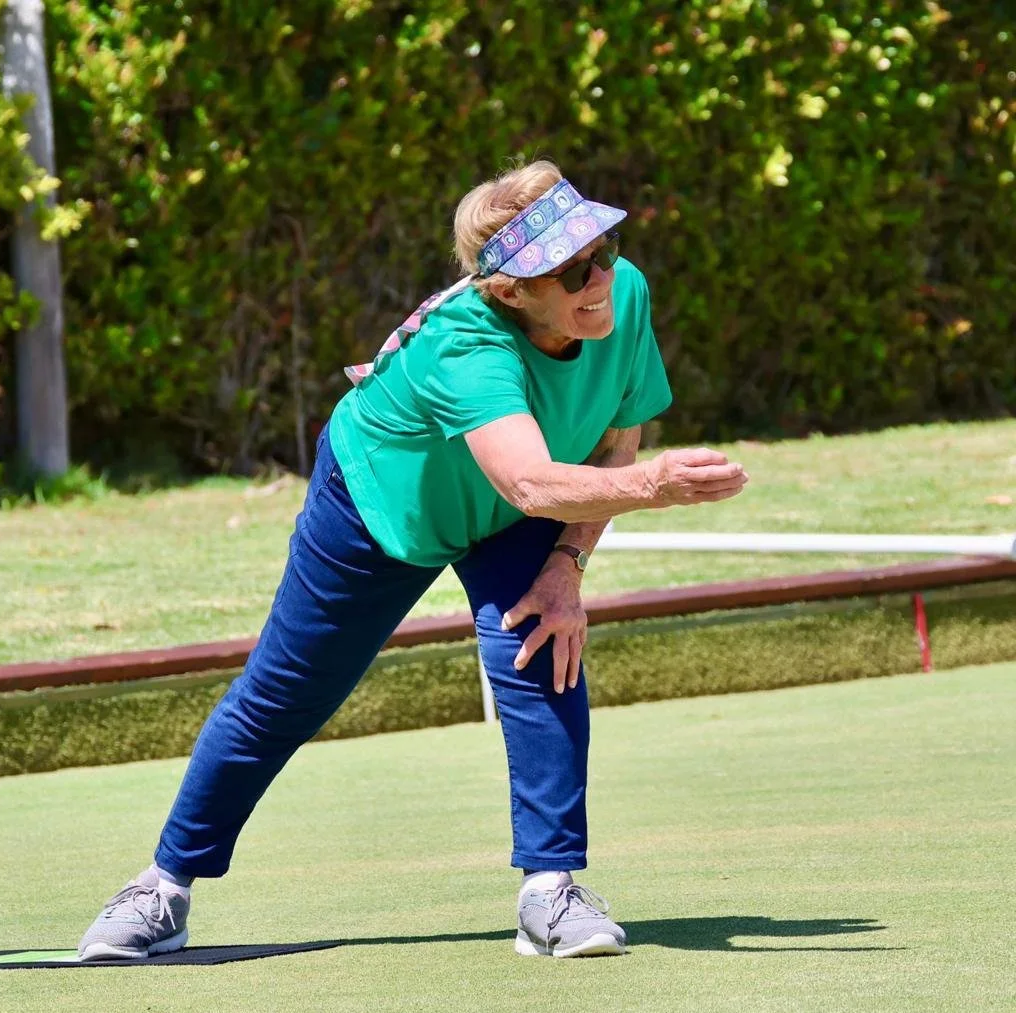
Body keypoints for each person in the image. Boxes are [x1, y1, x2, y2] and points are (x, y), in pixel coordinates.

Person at [78, 160, 748, 961]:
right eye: (572, 269)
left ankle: (551, 890)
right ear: (513, 290)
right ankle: (163, 888)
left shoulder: (620, 294)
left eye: (602, 249)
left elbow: (616, 433)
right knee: (288, 692)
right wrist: (653, 487)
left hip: (522, 506)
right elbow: (534, 479)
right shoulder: (463, 344)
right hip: (383, 503)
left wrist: (569, 564)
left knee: (542, 647)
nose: (599, 275)